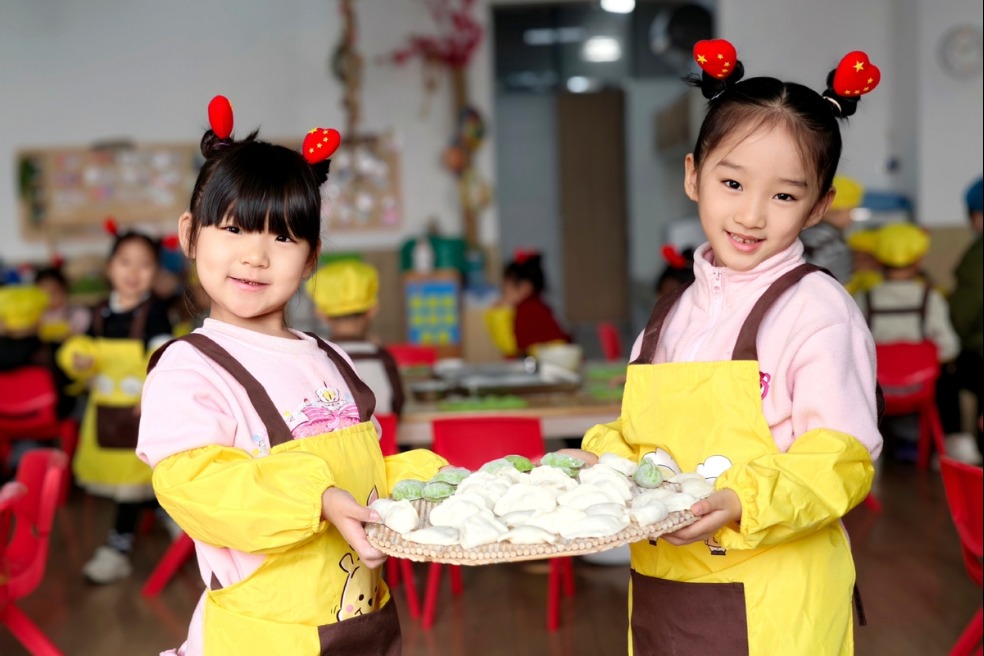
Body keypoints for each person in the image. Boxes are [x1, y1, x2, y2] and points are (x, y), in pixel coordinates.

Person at [562, 41, 883, 654]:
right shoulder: (669, 317)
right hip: (664, 595)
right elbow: (640, 440)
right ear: (693, 176)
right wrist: (603, 459)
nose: (752, 214)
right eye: (732, 182)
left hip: (778, 607)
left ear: (819, 206)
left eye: (784, 195)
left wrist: (741, 501)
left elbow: (840, 458)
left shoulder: (817, 311)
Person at [135, 96, 447, 656]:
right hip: (260, 640)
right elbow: (198, 487)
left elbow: (370, 476)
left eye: (282, 237)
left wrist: (450, 484)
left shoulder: (331, 357)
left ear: (310, 258)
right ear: (190, 234)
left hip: (363, 627)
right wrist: (318, 500)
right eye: (234, 228)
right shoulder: (190, 368)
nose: (255, 256)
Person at [55, 230, 173, 583]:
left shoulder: (155, 312)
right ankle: (165, 512)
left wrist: (151, 393)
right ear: (110, 267)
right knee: (124, 481)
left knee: (132, 481)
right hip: (105, 415)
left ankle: (118, 547)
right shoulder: (99, 313)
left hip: (142, 414)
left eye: (144, 264)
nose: (133, 272)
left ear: (156, 272)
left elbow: (164, 357)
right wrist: (78, 359)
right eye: (125, 262)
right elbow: (81, 348)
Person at [853, 223, 974, 462]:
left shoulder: (863, 298)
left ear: (878, 260)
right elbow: (949, 347)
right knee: (948, 375)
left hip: (877, 389)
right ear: (918, 260)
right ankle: (954, 444)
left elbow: (854, 346)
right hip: (922, 389)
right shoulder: (931, 298)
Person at [306, 259, 405, 417]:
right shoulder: (382, 357)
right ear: (373, 310)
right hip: (382, 434)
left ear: (321, 314)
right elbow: (398, 407)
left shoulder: (314, 358)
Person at [937, 176, 984, 459]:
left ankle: (956, 442)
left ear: (976, 216)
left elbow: (964, 312)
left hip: (979, 355)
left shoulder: (978, 256)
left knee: (946, 372)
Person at [484, 250, 571, 357]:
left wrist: (500, 312)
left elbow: (510, 347)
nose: (503, 295)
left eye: (506, 290)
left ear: (525, 288)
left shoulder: (528, 310)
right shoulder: (537, 306)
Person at [800, 174, 864, 284]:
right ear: (839, 211)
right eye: (851, 211)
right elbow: (809, 275)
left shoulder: (804, 233)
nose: (852, 219)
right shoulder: (830, 241)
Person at [34, 266, 90, 344]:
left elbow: (75, 338)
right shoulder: (35, 315)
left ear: (64, 289)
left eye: (53, 292)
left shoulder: (78, 313)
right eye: (44, 294)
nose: (49, 298)